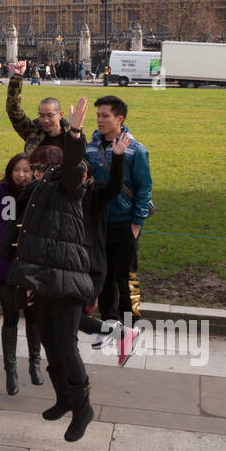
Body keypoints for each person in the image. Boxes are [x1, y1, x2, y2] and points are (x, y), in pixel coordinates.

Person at [7, 96, 96, 443]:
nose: (35, 174)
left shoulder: (68, 187)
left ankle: (83, 406)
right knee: (48, 341)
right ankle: (63, 398)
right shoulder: (36, 191)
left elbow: (75, 169)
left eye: (41, 169)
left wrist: (74, 133)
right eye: (34, 169)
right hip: (43, 279)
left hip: (68, 278)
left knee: (66, 346)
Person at [85, 96, 152, 356]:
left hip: (125, 224)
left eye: (105, 116)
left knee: (128, 279)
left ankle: (132, 329)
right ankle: (110, 327)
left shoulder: (137, 149)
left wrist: (136, 223)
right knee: (104, 278)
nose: (100, 120)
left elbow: (144, 188)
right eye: (98, 116)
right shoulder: (90, 148)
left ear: (119, 119)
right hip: (99, 223)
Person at [0, 130, 41, 393]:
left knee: (34, 315)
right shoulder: (3, 193)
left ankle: (35, 362)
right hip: (5, 264)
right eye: (17, 170)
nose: (22, 175)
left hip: (34, 265)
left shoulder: (40, 195)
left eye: (27, 170)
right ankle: (10, 369)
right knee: (11, 316)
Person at [5, 60, 67, 153]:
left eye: (50, 115)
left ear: (60, 115)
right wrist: (17, 77)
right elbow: (14, 111)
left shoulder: (72, 136)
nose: (45, 120)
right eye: (41, 115)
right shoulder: (33, 131)